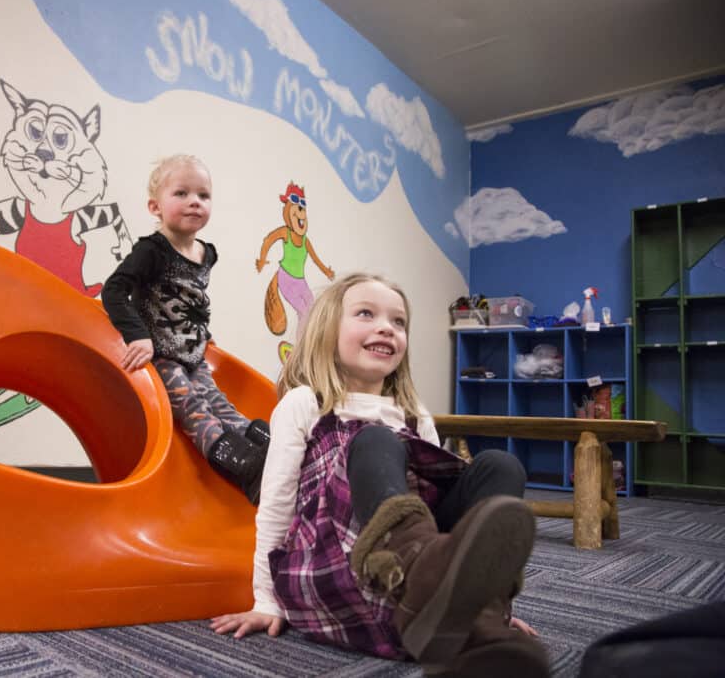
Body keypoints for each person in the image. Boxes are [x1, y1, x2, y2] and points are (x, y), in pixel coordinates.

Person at [211, 273, 549, 677]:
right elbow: (276, 504)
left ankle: (478, 616)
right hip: (342, 568)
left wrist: (496, 610)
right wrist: (265, 599)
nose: (386, 327)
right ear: (327, 330)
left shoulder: (414, 413)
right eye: (366, 314)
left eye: (399, 322)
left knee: (501, 465)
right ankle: (421, 578)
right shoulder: (305, 403)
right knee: (374, 441)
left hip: (415, 588)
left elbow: (441, 500)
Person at [102, 154, 269, 503]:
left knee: (219, 402)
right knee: (193, 406)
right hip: (163, 355)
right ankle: (245, 468)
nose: (194, 201)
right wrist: (139, 336)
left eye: (203, 196)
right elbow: (115, 290)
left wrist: (202, 333)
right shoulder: (152, 251)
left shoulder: (205, 253)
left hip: (192, 353)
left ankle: (268, 450)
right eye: (181, 193)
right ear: (155, 207)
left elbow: (191, 297)